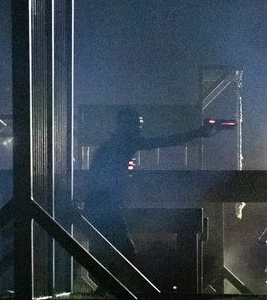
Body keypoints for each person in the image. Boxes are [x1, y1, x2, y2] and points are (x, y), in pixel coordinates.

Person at [84, 106, 220, 261]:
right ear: (129, 127)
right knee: (124, 255)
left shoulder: (109, 147)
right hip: (105, 210)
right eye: (136, 127)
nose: (138, 131)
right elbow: (164, 141)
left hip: (100, 209)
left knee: (111, 257)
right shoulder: (121, 146)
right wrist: (198, 132)